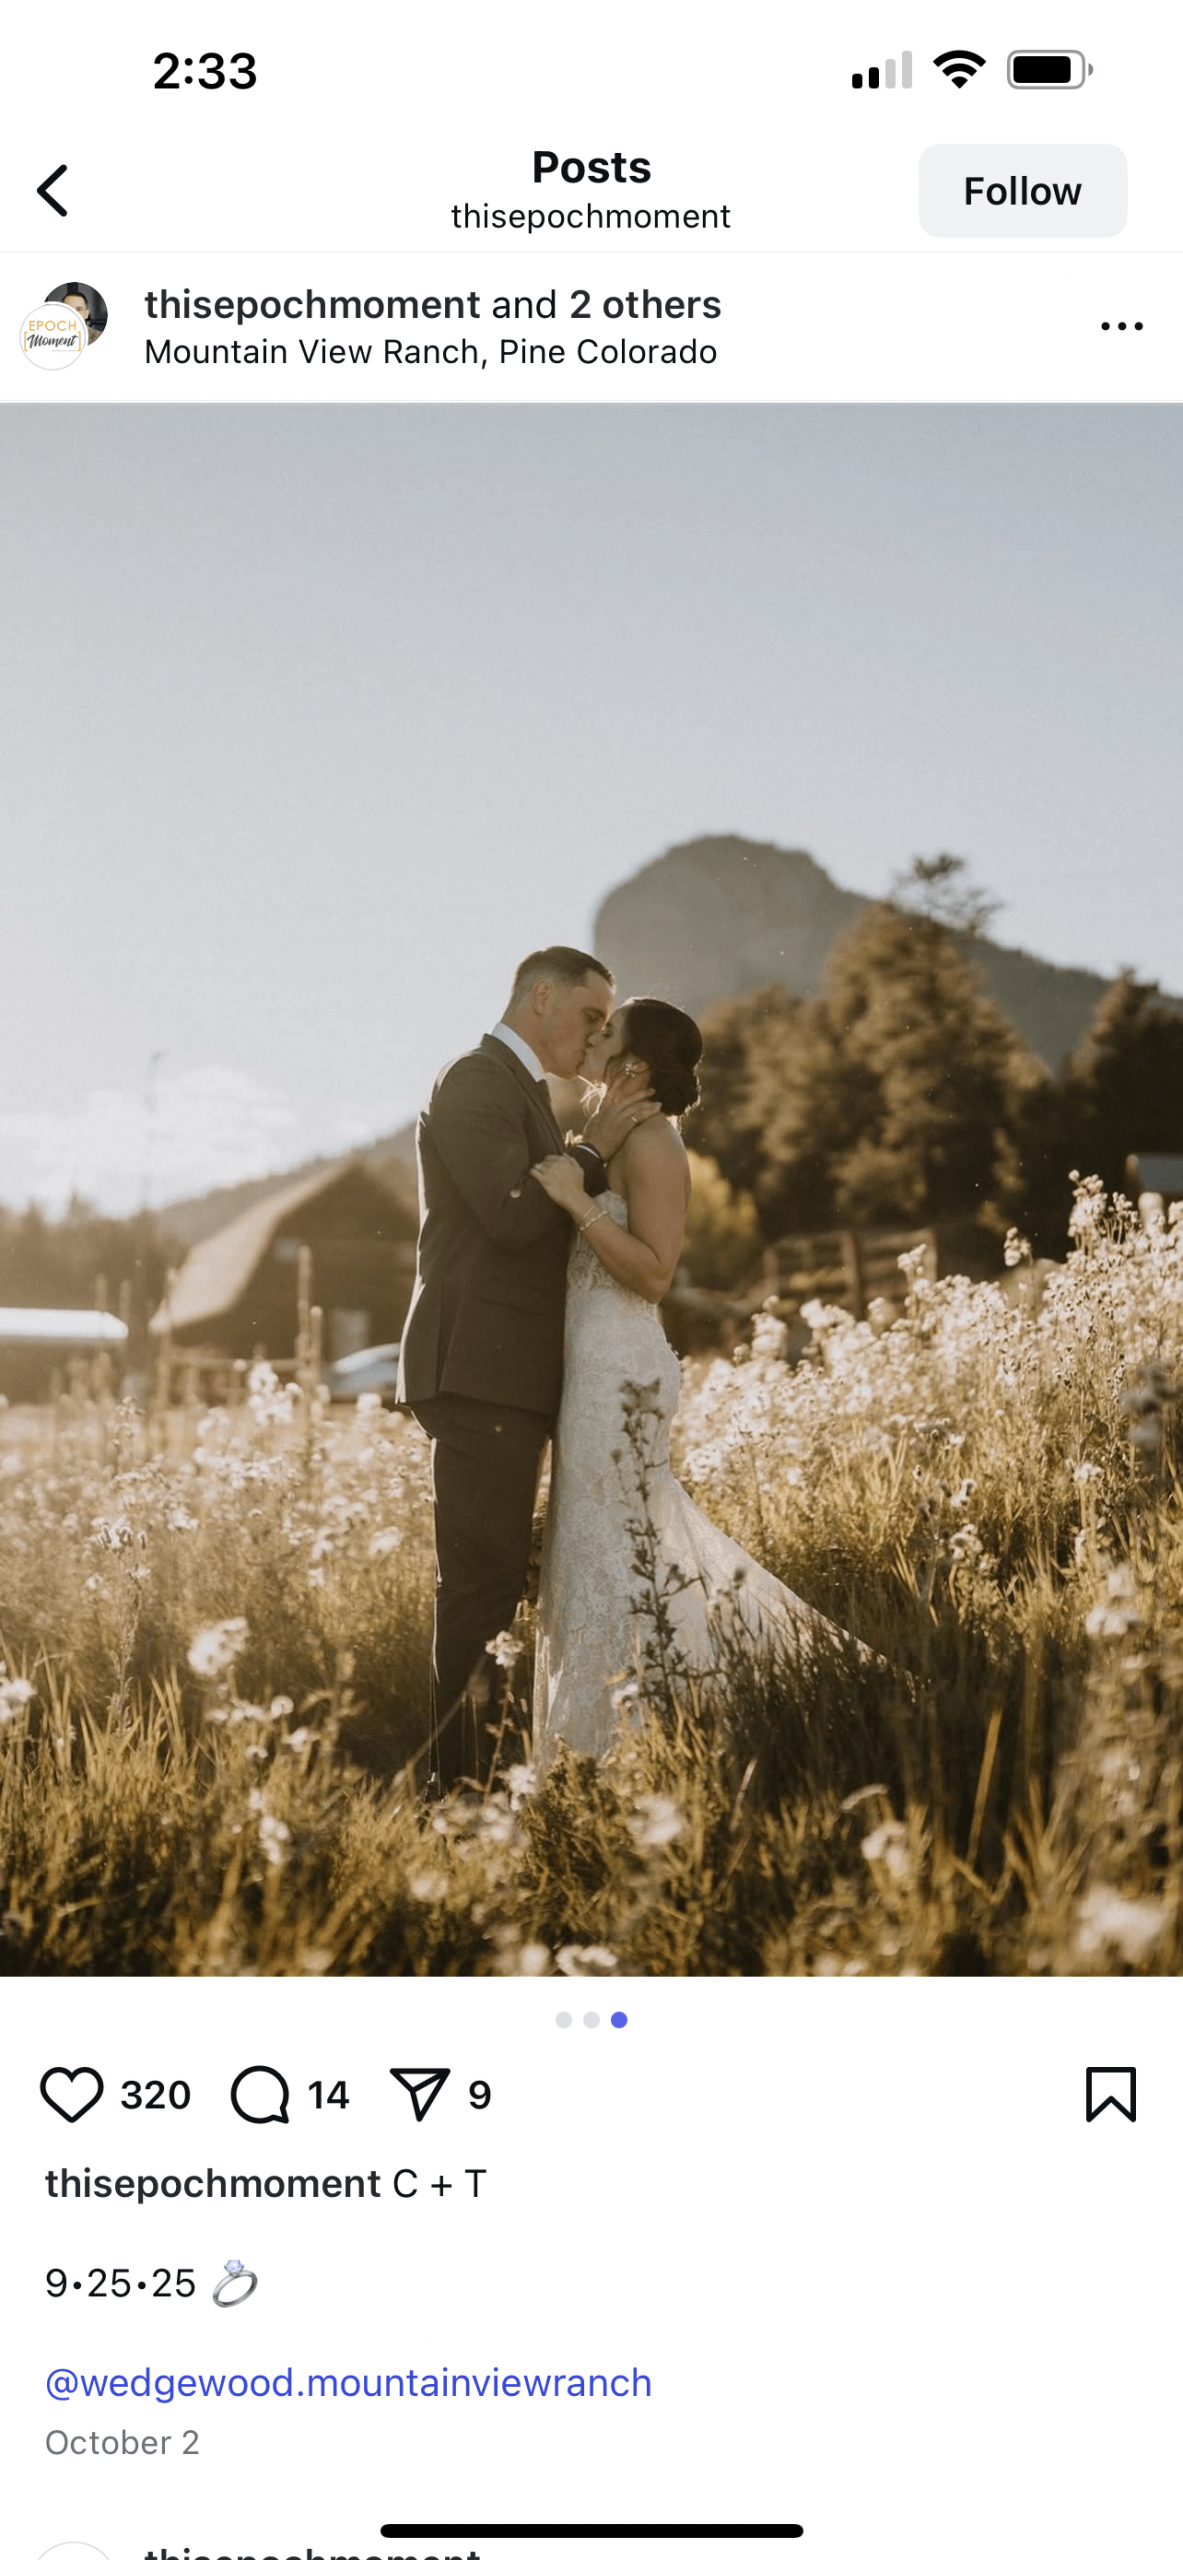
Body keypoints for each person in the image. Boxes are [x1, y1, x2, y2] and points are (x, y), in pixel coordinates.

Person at [530, 997, 848, 1761]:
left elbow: (654, 1275)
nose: (593, 1035)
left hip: (619, 1369)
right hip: (589, 1366)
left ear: (635, 1064)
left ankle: (626, 1736)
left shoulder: (655, 1144)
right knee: (595, 1541)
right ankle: (625, 1726)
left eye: (607, 1031)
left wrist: (574, 1202)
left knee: (616, 1541)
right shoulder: (614, 1136)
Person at [397, 947, 659, 1792]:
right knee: (480, 1590)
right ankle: (460, 1797)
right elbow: (513, 1217)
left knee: (493, 1583)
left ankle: (473, 1784)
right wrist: (597, 1148)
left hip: (504, 1374)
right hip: (478, 1369)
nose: (596, 1037)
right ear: (540, 997)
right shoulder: (475, 1080)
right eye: (590, 1016)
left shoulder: (526, 1095)